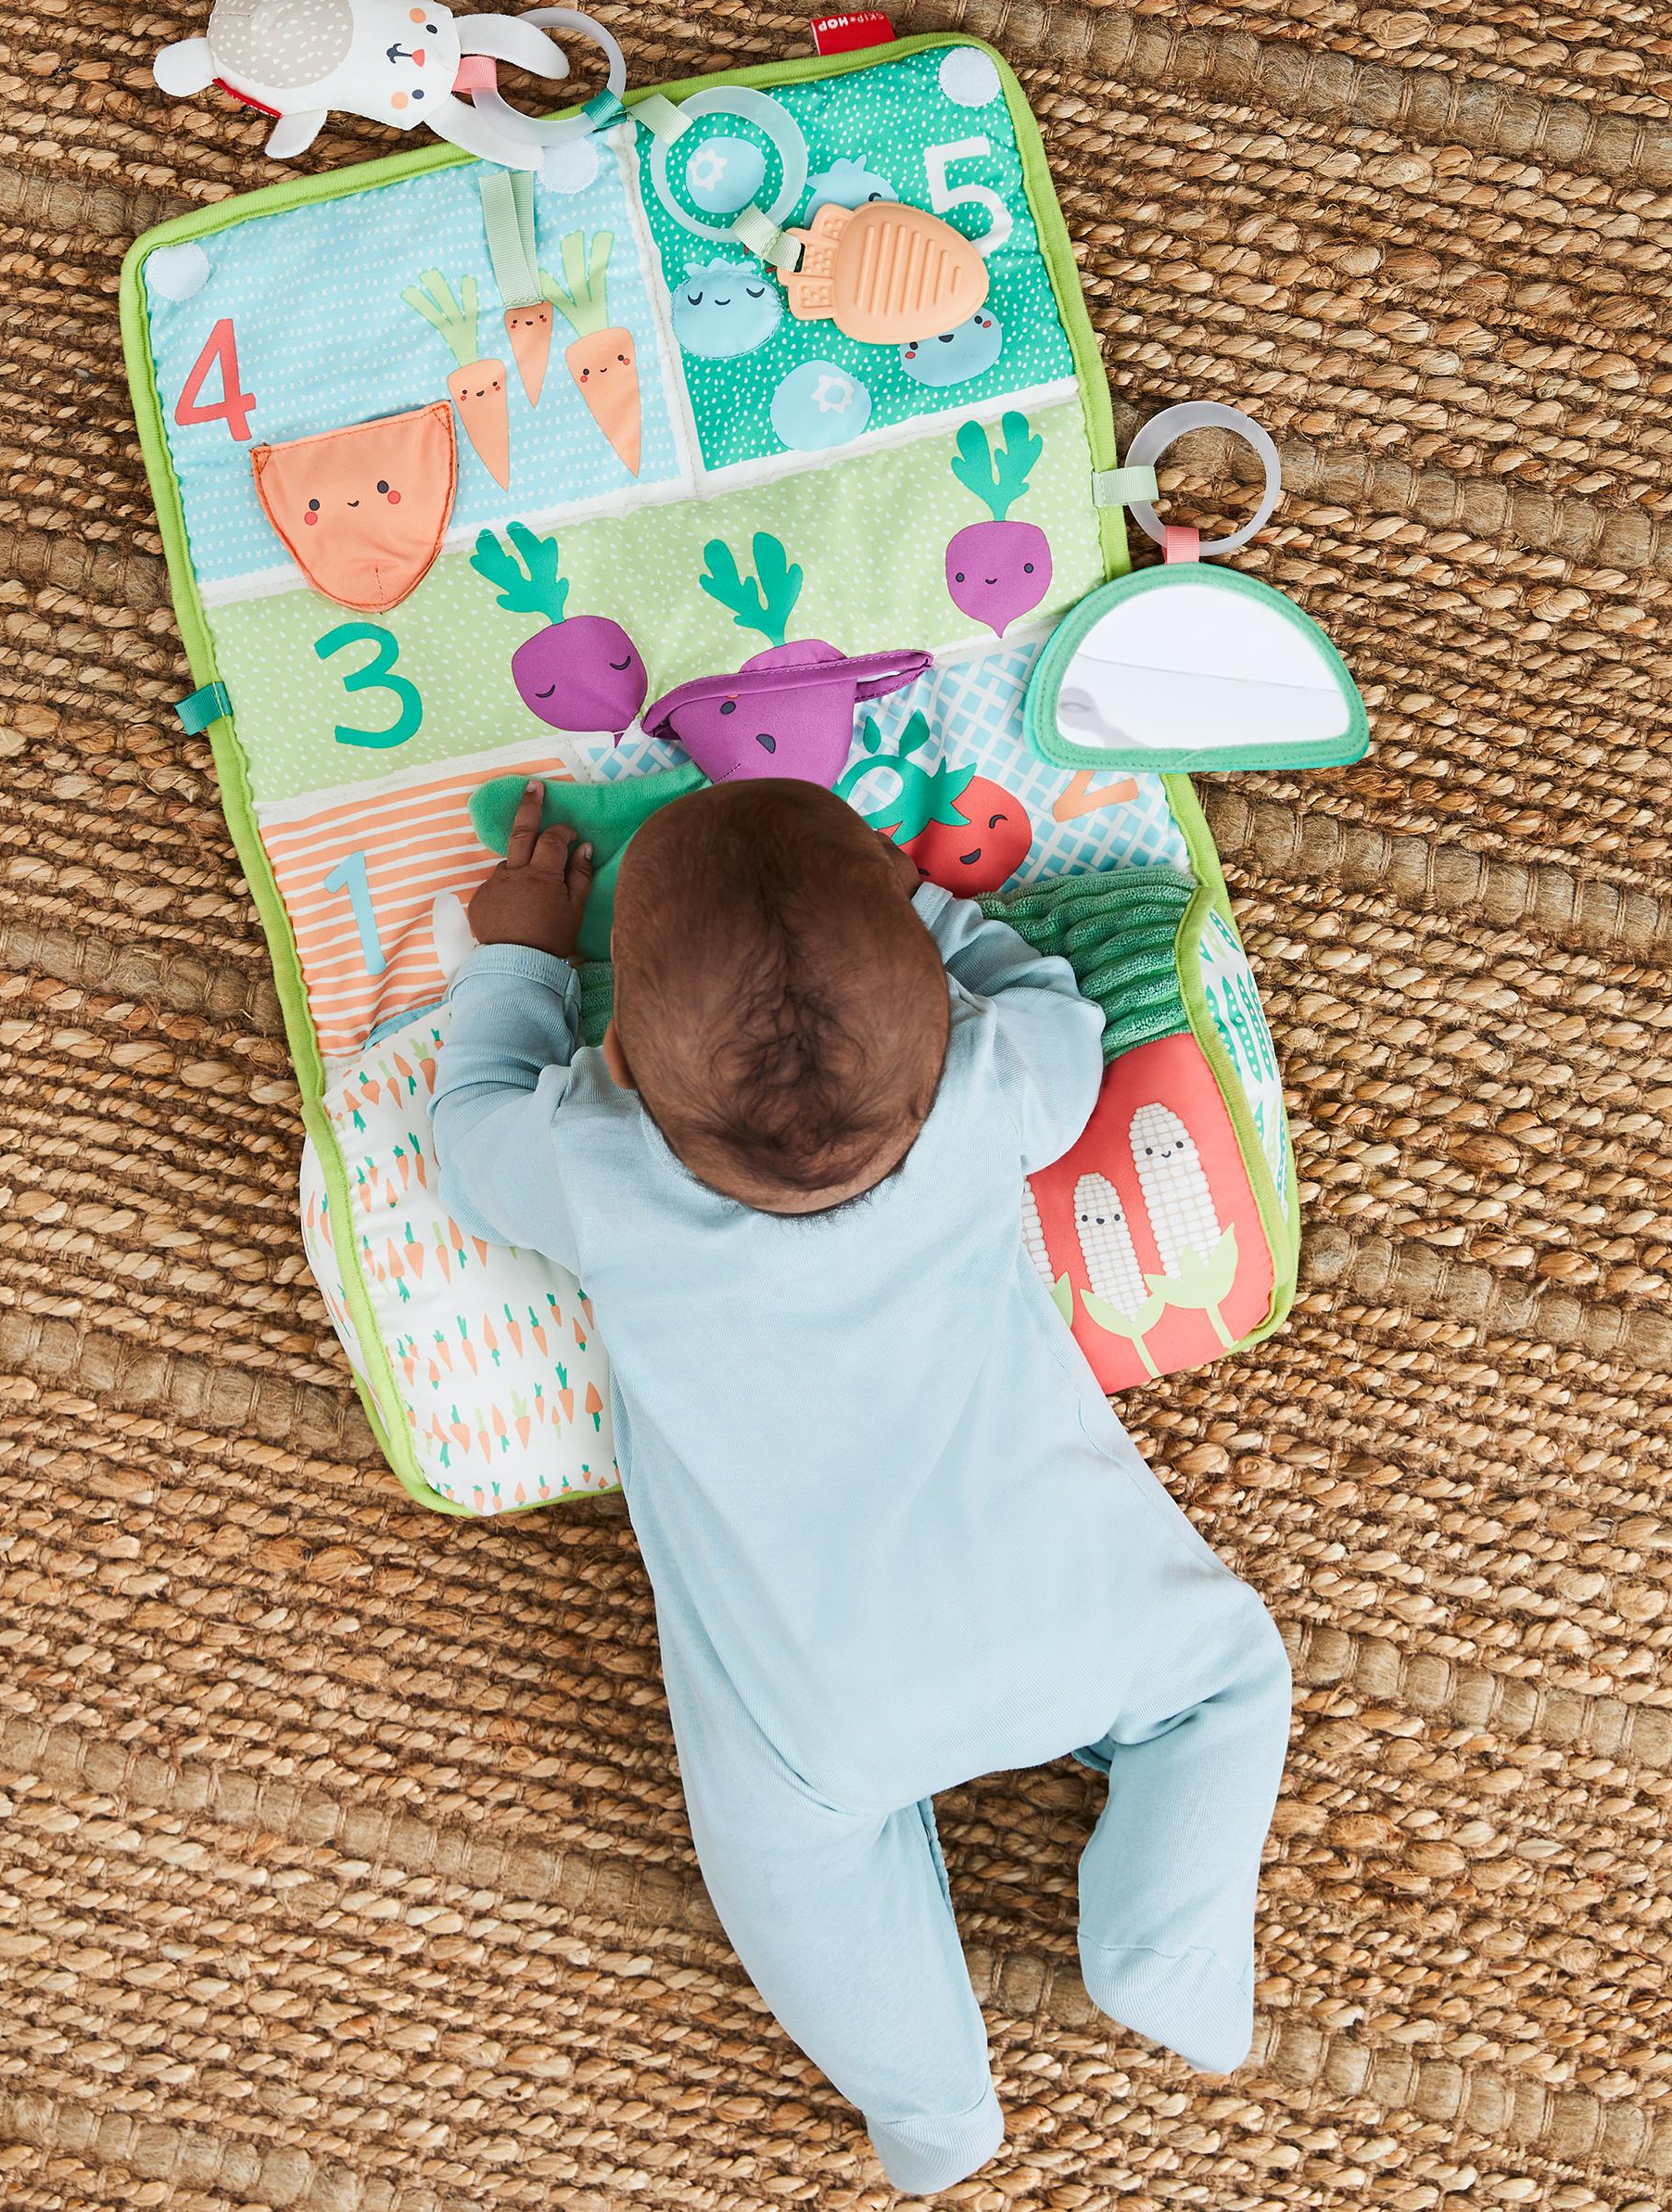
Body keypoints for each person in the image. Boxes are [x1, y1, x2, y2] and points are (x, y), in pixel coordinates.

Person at [430, 775, 1293, 2195]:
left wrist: (523, 954)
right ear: (941, 1032)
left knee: (792, 1872)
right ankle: (1166, 1937)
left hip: (820, 1713)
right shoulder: (986, 1084)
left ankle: (931, 2103)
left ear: (625, 1064)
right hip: (1082, 1613)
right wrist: (943, 908)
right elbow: (1066, 1019)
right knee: (1231, 1686)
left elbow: (468, 1138)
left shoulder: (597, 1163)